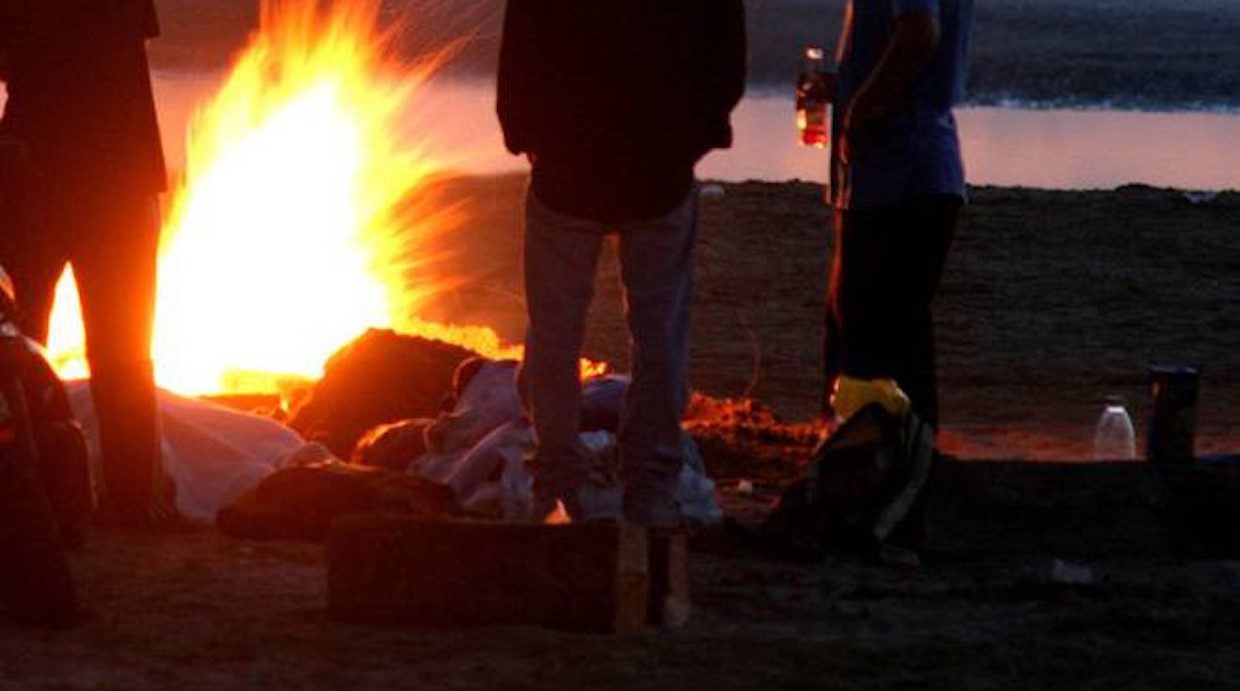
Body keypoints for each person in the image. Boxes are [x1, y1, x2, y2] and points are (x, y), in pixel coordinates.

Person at [497, 0, 746, 526]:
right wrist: (695, 140)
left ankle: (558, 485)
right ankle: (651, 491)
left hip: (568, 172)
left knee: (555, 332)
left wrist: (527, 138)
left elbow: (521, 45)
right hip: (657, 174)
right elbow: (725, 56)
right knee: (659, 335)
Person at [0, 1, 166, 528]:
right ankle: (129, 499)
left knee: (27, 346)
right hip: (105, 167)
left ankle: (42, 495)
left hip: (44, 166)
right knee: (116, 350)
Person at [822, 0, 974, 432]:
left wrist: (861, 108)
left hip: (897, 173)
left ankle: (873, 464)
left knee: (869, 340)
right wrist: (846, 88)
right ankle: (901, 460)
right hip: (905, 175)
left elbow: (919, 34)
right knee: (890, 333)